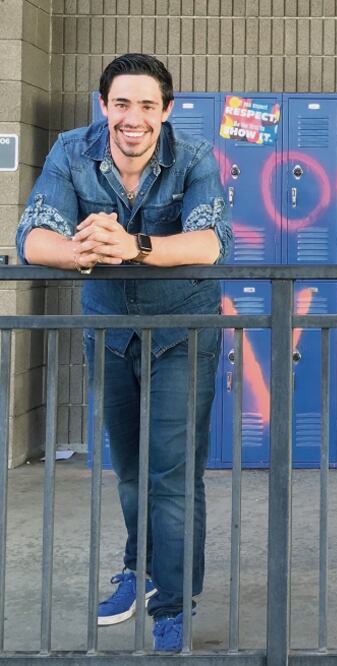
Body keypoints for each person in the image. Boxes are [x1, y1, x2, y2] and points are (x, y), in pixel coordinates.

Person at [15, 53, 231, 652]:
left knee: (172, 472)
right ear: (103, 106)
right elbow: (33, 236)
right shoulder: (70, 151)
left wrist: (131, 244)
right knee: (131, 469)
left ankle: (173, 601)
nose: (131, 118)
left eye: (145, 105)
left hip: (182, 333)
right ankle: (138, 571)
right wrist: (82, 250)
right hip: (110, 332)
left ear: (165, 111)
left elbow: (211, 241)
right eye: (120, 104)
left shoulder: (194, 157)